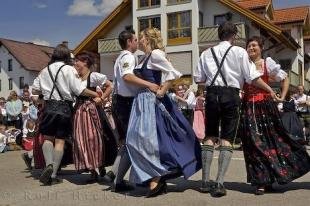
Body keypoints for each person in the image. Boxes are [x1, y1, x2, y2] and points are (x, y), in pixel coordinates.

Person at [194, 22, 276, 197]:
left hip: (212, 94)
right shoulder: (239, 52)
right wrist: (269, 89)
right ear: (233, 36)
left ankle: (205, 182)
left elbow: (198, 78)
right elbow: (252, 77)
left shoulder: (206, 53)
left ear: (219, 34)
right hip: (231, 95)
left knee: (209, 136)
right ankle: (219, 183)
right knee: (227, 138)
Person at [126, 27, 202, 198]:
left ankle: (156, 178)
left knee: (147, 140)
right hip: (141, 101)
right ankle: (154, 177)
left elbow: (173, 72)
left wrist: (163, 90)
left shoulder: (155, 54)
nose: (139, 39)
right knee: (134, 139)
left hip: (151, 102)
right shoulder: (145, 57)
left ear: (148, 39)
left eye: (142, 37)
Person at [239, 36, 310, 195]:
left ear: (261, 48)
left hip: (265, 108)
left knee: (271, 142)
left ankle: (269, 178)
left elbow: (284, 78)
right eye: (249, 46)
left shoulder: (267, 63)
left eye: (254, 45)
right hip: (249, 109)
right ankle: (261, 181)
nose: (251, 48)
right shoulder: (244, 65)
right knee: (253, 144)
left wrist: (282, 98)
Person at [32, 43, 100, 185]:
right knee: (60, 141)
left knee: (47, 138)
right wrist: (95, 94)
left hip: (49, 106)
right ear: (65, 56)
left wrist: (43, 96)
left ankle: (48, 165)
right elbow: (79, 89)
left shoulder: (44, 71)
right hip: (64, 107)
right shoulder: (69, 69)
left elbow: (35, 90)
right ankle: (54, 174)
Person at [103, 27, 159, 192]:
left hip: (121, 102)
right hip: (126, 103)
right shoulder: (128, 56)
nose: (137, 42)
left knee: (129, 141)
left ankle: (117, 178)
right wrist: (150, 84)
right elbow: (128, 76)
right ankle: (115, 174)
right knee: (133, 141)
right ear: (129, 42)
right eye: (135, 40)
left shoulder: (120, 57)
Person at [72, 51, 117, 183]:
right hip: (79, 111)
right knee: (81, 140)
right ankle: (92, 171)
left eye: (77, 61)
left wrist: (102, 98)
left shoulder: (93, 76)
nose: (75, 63)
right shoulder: (74, 77)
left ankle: (100, 163)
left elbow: (110, 85)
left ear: (85, 62)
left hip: (92, 111)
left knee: (94, 138)